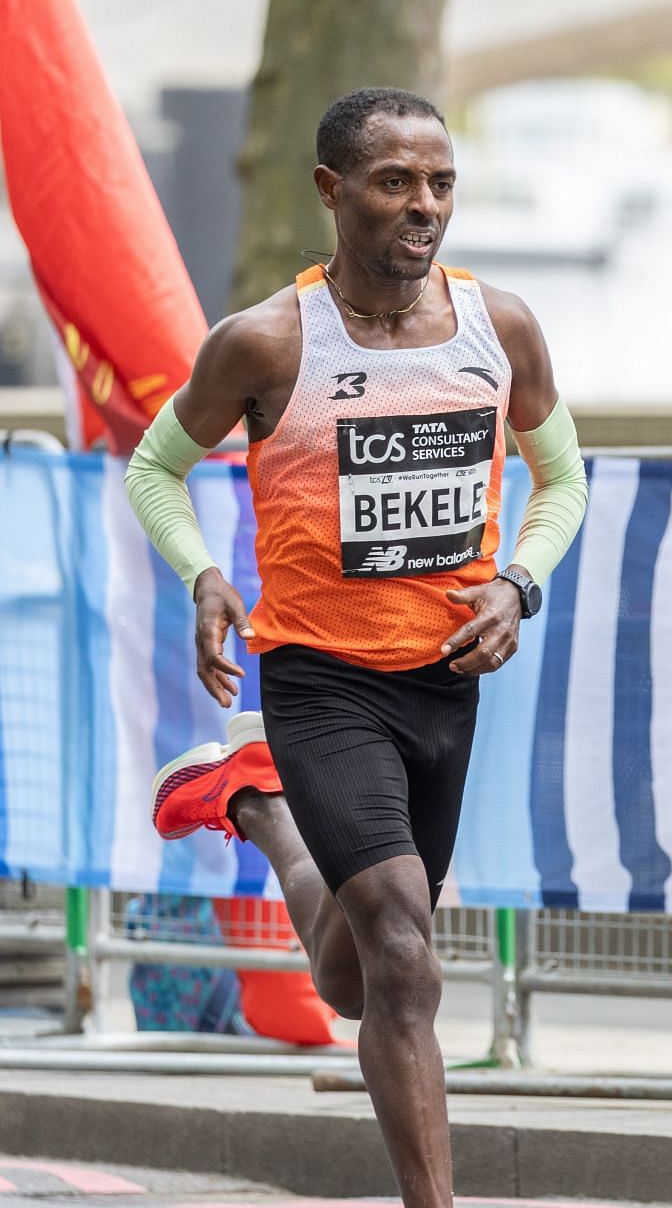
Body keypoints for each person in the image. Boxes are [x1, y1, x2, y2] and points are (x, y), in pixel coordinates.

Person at [127, 87, 587, 1208]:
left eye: (439, 182)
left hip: (445, 682)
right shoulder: (265, 340)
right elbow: (154, 467)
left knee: (352, 975)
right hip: (321, 679)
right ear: (335, 191)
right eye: (394, 182)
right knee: (404, 952)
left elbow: (563, 479)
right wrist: (203, 573)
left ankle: (258, 805)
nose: (422, 206)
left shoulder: (502, 326)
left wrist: (518, 586)